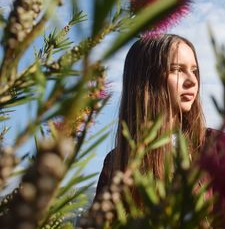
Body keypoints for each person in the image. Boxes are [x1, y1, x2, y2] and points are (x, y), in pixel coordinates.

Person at [93, 33, 218, 202]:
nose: (192, 81)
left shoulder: (218, 147)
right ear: (147, 81)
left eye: (194, 71)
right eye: (177, 70)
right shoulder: (116, 163)